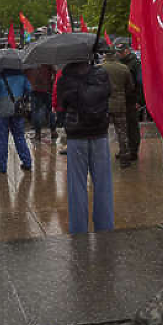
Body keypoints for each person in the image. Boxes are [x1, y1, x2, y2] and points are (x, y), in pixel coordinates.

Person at [57, 60, 115, 234]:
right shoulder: (102, 74)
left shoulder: (65, 78)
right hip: (99, 133)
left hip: (77, 135)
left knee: (77, 186)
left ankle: (78, 230)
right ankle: (105, 227)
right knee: (103, 184)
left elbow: (62, 104)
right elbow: (108, 94)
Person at [0, 68, 33, 173]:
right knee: (19, 136)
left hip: (1, 111)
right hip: (17, 110)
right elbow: (29, 90)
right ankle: (27, 162)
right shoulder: (22, 77)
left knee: (2, 139)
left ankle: (2, 167)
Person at [101, 49, 135, 169]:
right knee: (122, 132)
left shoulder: (100, 68)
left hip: (104, 105)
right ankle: (125, 158)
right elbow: (130, 87)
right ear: (115, 55)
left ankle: (101, 158)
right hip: (120, 104)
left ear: (105, 55)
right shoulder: (124, 68)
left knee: (102, 133)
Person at [115, 42, 142, 161]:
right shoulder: (120, 63)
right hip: (122, 99)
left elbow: (141, 83)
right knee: (123, 127)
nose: (119, 54)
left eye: (120, 52)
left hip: (132, 99)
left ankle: (133, 151)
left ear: (127, 50)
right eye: (118, 52)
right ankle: (125, 149)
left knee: (132, 126)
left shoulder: (136, 64)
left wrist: (139, 101)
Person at [25, 64, 56, 143]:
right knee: (50, 110)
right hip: (47, 88)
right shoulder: (46, 60)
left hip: (34, 89)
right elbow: (54, 72)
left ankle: (38, 134)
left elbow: (25, 74)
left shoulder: (30, 61)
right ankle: (53, 131)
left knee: (36, 112)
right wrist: (52, 82)